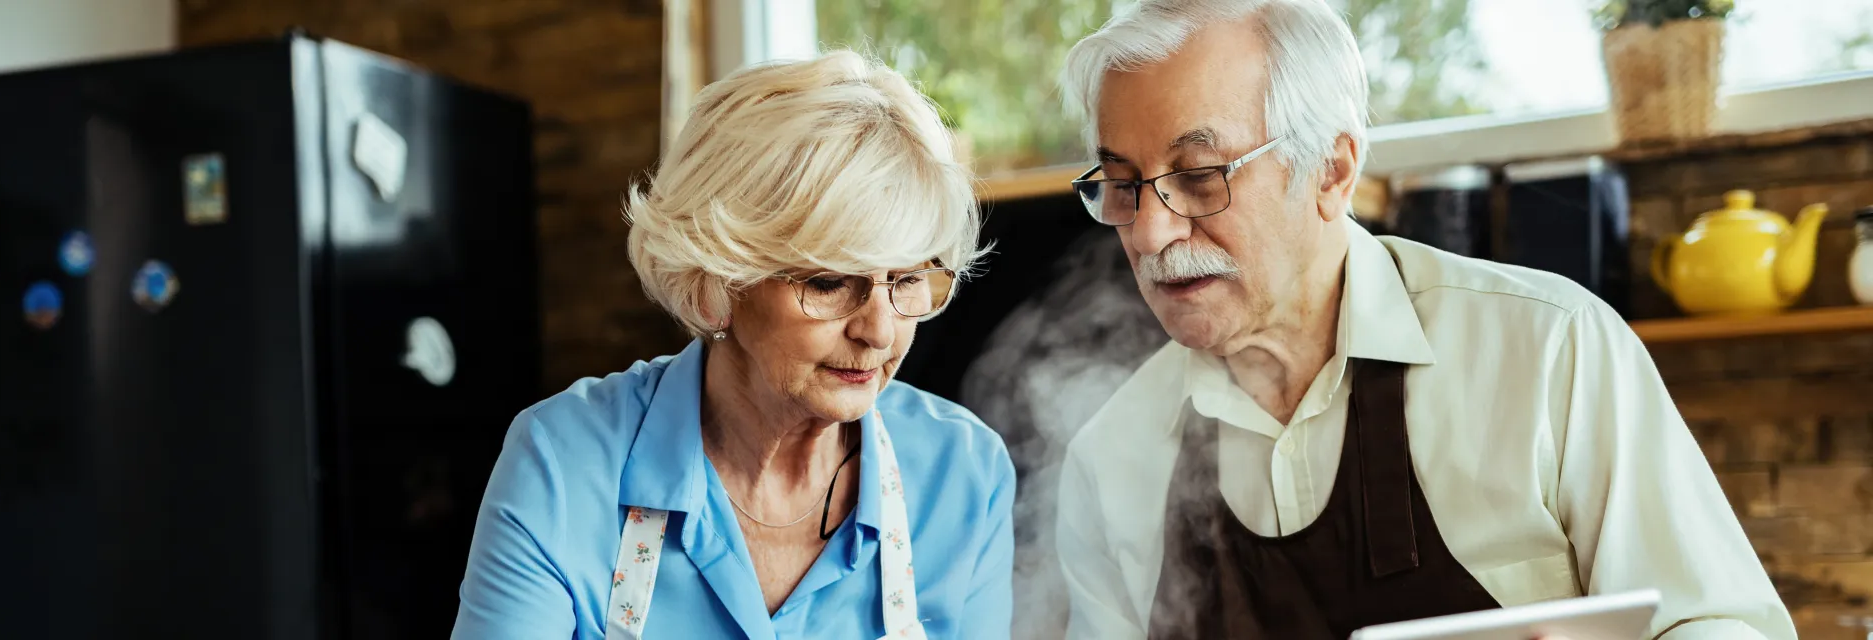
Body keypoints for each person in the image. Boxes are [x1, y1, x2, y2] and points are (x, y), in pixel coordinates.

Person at [1051, 1, 1795, 638]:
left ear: (1332, 171)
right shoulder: (1110, 460)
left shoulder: (1548, 350)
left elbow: (1724, 623)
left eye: (1199, 176)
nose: (1148, 234)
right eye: (1121, 186)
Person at [450, 50, 1015, 640]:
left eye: (905, 280)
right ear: (717, 282)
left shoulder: (964, 474)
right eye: (828, 283)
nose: (877, 331)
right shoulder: (565, 464)